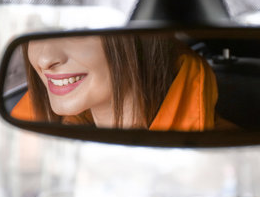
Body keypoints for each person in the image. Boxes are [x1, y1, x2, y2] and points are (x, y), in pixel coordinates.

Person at [11, 34, 223, 131]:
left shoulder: (226, 154)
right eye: (37, 33)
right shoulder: (47, 155)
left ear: (132, 37)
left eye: (77, 32)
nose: (45, 59)